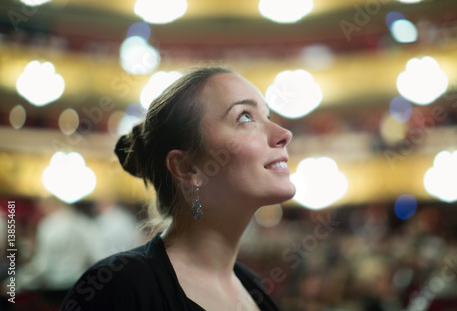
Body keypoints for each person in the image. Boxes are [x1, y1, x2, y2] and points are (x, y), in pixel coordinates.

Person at [60, 66, 296, 311]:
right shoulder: (117, 289)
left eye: (268, 116)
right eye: (245, 117)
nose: (284, 134)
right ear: (186, 167)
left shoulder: (254, 290)